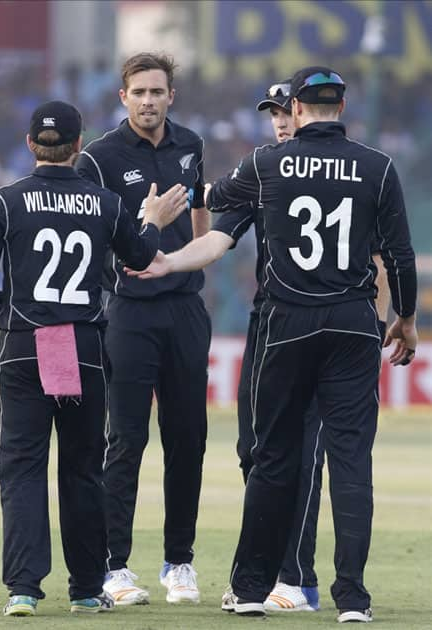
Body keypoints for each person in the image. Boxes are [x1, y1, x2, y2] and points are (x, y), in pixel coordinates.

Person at [126, 80, 391, 614]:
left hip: (311, 324)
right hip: (272, 326)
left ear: (303, 110)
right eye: (272, 115)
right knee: (259, 452)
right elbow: (219, 239)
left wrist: (381, 315)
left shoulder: (315, 171)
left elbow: (383, 257)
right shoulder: (268, 175)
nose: (279, 122)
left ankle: (296, 581)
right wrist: (168, 261)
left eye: (284, 112)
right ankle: (275, 576)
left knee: (306, 451)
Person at [0, 100, 188, 617]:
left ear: (29, 145)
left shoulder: (4, 200)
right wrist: (150, 221)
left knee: (21, 466)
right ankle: (86, 588)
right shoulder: (105, 202)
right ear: (79, 146)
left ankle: (23, 588)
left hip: (25, 343)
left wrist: (6, 311)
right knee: (84, 468)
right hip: (80, 343)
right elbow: (139, 258)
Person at [206, 66, 418, 623]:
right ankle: (352, 599)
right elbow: (399, 254)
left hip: (286, 321)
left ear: (296, 109)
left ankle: (252, 589)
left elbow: (215, 196)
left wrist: (175, 201)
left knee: (273, 456)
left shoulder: (266, 163)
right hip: (352, 323)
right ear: (342, 107)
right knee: (350, 462)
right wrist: (407, 318)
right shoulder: (379, 167)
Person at [75, 52, 211, 605]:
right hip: (129, 310)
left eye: (158, 92)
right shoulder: (99, 159)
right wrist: (146, 225)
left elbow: (201, 211)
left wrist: (197, 256)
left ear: (171, 96)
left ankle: (179, 563)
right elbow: (93, 237)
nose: (149, 101)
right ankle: (115, 567)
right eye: (140, 92)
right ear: (122, 97)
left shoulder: (191, 146)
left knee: (189, 439)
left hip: (184, 308)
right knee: (126, 439)